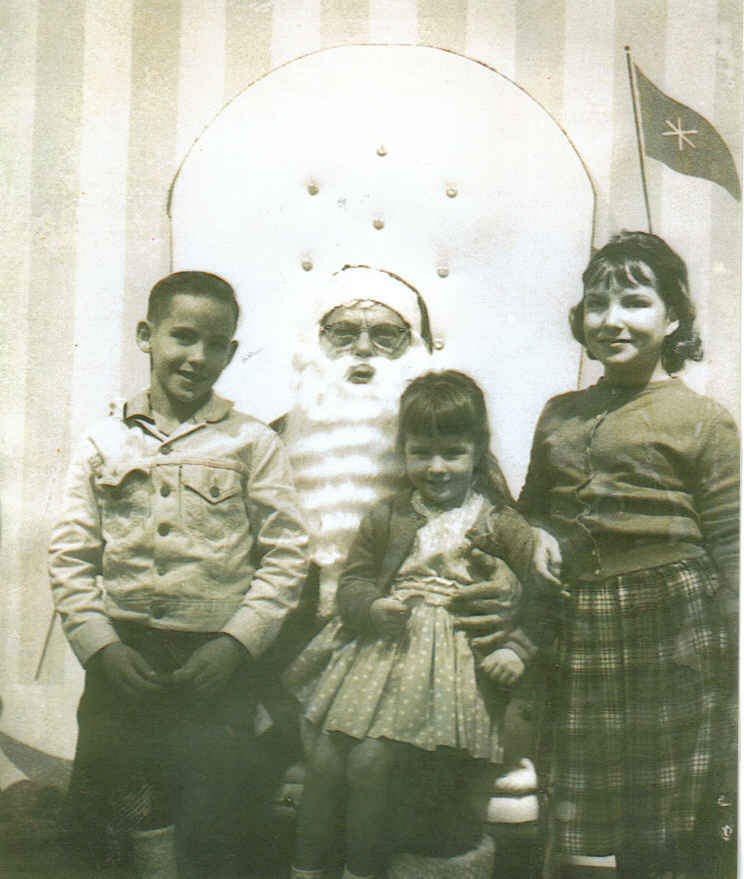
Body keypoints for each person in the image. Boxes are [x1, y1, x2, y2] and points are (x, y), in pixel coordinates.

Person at [48, 271, 310, 879]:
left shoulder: (251, 443)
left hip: (214, 666)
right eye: (182, 337)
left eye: (214, 344)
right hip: (123, 659)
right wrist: (100, 648)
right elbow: (71, 554)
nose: (197, 357)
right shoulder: (102, 440)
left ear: (232, 352)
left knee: (211, 822)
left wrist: (236, 644)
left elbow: (286, 553)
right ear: (147, 335)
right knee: (121, 817)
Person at [518, 231, 739, 878]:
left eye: (635, 302)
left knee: (660, 811)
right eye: (597, 303)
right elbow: (532, 506)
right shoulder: (560, 413)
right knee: (582, 800)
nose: (611, 319)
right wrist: (534, 536)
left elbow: (731, 541)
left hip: (671, 622)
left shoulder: (703, 418)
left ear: (674, 318)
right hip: (581, 619)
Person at [289, 370, 537, 879]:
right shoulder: (389, 514)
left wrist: (517, 647)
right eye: (421, 452)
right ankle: (306, 869)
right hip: (376, 655)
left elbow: (539, 602)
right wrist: (371, 607)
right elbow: (354, 581)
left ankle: (361, 871)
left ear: (478, 450)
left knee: (369, 764)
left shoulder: (499, 523)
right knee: (325, 761)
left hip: (440, 673)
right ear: (402, 449)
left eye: (453, 452)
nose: (437, 467)